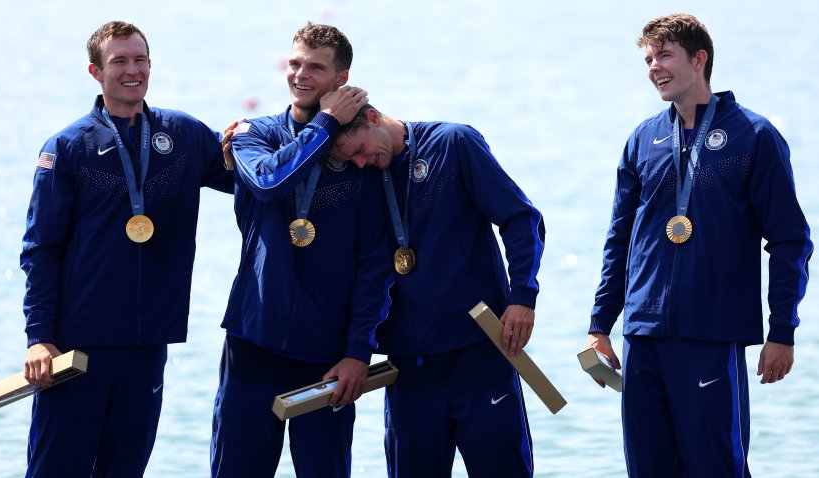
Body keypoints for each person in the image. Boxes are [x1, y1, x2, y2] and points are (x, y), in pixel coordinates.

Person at [584, 13, 813, 477]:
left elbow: (791, 241)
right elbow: (619, 240)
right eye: (649, 59)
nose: (654, 67)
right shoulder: (643, 139)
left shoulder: (754, 136)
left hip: (711, 332)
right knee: (648, 469)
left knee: (715, 468)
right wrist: (599, 324)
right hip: (642, 334)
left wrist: (782, 330)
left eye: (664, 55)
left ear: (699, 59)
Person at [20, 21, 233, 477]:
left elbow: (255, 182)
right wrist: (39, 338)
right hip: (77, 349)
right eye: (119, 61)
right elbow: (41, 249)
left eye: (139, 60)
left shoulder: (184, 136)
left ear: (151, 65)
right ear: (96, 71)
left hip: (148, 345)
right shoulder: (68, 147)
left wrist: (305, 133)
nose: (131, 70)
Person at [211, 23, 390, 478]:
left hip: (327, 357)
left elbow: (374, 264)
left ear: (341, 79)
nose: (300, 75)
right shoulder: (255, 135)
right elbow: (270, 182)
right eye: (294, 63)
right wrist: (325, 123)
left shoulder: (361, 158)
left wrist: (357, 351)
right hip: (253, 343)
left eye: (316, 67)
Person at [328, 103, 546, 477]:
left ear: (375, 118)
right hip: (409, 368)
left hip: (478, 355)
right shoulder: (362, 177)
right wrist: (357, 348)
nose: (362, 163)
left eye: (361, 150)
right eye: (351, 160)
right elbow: (367, 273)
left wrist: (522, 296)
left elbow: (520, 219)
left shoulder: (454, 143)